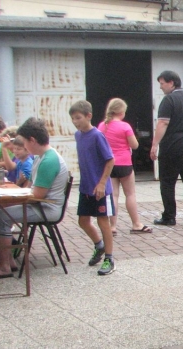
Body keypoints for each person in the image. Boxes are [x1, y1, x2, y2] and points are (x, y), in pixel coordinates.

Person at [0, 117, 69, 280]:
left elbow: (37, 196)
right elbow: (34, 192)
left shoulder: (48, 160)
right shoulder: (42, 156)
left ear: (32, 140)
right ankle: (8, 260)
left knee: (0, 216)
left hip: (46, 208)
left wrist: (7, 197)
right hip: (40, 204)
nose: (24, 147)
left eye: (25, 143)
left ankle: (4, 266)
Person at [149, 70, 183, 228]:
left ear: (171, 83)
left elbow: (163, 123)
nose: (160, 87)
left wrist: (155, 144)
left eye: (162, 83)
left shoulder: (168, 100)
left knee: (167, 182)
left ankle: (169, 216)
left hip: (173, 145)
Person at [69, 100, 116, 276]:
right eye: (73, 118)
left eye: (78, 118)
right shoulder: (78, 135)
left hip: (100, 189)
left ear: (88, 116)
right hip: (86, 187)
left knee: (103, 222)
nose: (75, 122)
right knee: (83, 221)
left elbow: (110, 160)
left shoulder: (97, 136)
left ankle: (109, 258)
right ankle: (99, 245)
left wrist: (102, 183)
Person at [97, 98, 151, 235]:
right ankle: (136, 224)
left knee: (113, 195)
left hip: (109, 165)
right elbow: (135, 145)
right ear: (121, 112)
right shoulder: (125, 126)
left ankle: (112, 226)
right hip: (124, 163)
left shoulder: (102, 126)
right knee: (130, 194)